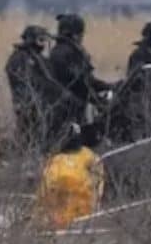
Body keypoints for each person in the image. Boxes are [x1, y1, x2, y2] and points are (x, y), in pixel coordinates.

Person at [47, 13, 114, 147]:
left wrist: (107, 87)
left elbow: (86, 80)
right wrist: (98, 98)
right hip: (68, 108)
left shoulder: (63, 51)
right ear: (76, 34)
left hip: (72, 106)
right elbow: (80, 82)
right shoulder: (66, 53)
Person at [4, 25, 64, 151]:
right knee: (30, 139)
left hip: (45, 107)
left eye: (44, 40)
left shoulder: (40, 59)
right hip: (29, 107)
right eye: (40, 40)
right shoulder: (19, 58)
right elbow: (27, 82)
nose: (43, 45)